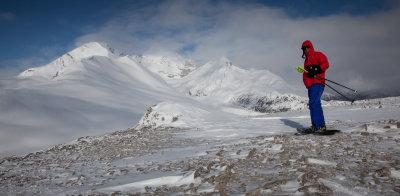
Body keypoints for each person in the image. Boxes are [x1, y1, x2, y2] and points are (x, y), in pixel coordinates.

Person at [301, 40, 329, 133]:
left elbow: (326, 64)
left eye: (307, 47)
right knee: (316, 104)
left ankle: (316, 126)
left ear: (311, 46)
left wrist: (316, 69)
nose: (306, 49)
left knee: (313, 103)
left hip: (317, 82)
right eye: (303, 48)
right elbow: (305, 74)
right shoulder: (306, 61)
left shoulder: (318, 55)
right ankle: (321, 125)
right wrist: (306, 83)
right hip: (310, 85)